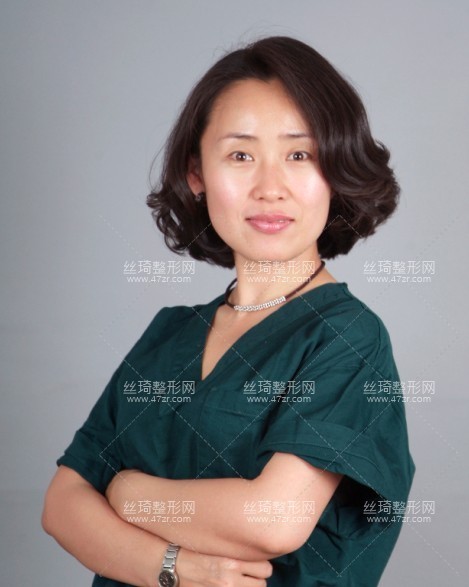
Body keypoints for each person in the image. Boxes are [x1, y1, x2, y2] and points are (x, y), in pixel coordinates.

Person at [42, 35, 415, 587]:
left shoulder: (348, 339)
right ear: (196, 173)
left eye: (299, 155)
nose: (270, 188)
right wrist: (177, 567)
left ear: (336, 172)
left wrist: (125, 492)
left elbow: (274, 520)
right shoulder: (170, 332)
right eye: (241, 155)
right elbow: (62, 505)